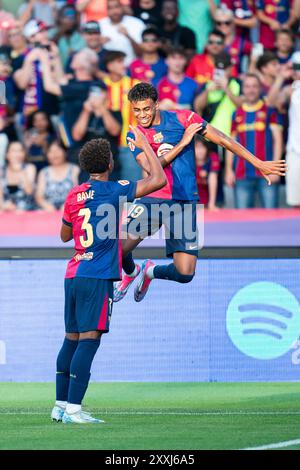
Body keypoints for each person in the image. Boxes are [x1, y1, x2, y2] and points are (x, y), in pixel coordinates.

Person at [113, 82, 286, 303]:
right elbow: (150, 167)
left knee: (185, 273)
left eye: (146, 108)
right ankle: (130, 273)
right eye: (136, 110)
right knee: (116, 250)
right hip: (153, 199)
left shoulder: (184, 118)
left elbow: (223, 139)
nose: (142, 115)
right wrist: (183, 143)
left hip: (184, 202)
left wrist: (257, 162)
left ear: (156, 104)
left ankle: (149, 271)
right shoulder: (134, 133)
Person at [50, 130, 166, 424]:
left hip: (74, 273)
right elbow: (158, 180)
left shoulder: (75, 194)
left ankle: (60, 405)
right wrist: (144, 147)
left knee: (71, 339)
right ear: (110, 165)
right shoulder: (114, 190)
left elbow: (65, 235)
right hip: (97, 275)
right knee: (89, 340)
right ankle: (75, 410)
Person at [225, 73, 283, 208]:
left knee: (272, 219)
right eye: (247, 86)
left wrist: (275, 169)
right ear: (243, 89)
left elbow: (278, 141)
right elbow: (230, 144)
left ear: (260, 89)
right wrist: (229, 170)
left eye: (254, 86)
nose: (251, 90)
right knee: (242, 221)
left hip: (267, 172)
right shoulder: (236, 113)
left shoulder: (270, 111)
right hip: (242, 174)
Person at [99, 0, 145, 66]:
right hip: (107, 69)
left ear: (122, 8)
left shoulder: (136, 23)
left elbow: (142, 53)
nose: (114, 11)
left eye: (116, 7)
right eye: (110, 8)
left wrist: (128, 36)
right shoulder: (101, 24)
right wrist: (99, 43)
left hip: (132, 67)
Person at [35, 141, 79, 211]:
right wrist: (47, 206)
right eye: (50, 151)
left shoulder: (74, 169)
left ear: (65, 152)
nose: (54, 154)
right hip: (49, 211)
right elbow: (39, 196)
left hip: (71, 209)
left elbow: (79, 193)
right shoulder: (44, 172)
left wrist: (68, 205)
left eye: (58, 150)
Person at [0, 141, 36, 211]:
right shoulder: (1, 171)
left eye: (20, 150)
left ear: (24, 154)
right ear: (7, 155)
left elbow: (29, 191)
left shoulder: (29, 168)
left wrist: (20, 171)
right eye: (13, 150)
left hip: (27, 211)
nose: (17, 154)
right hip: (7, 211)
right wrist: (3, 205)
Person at [195, 136, 220, 211]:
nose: (200, 151)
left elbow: (213, 179)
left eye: (202, 147)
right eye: (197, 147)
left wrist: (211, 204)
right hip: (193, 203)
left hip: (211, 201)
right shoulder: (188, 160)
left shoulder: (213, 157)